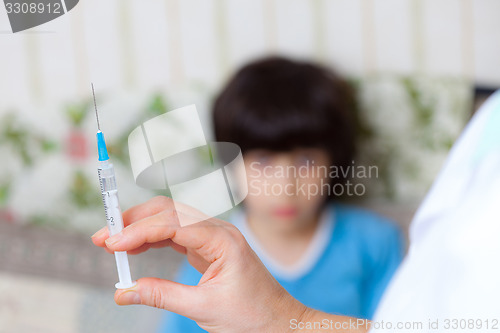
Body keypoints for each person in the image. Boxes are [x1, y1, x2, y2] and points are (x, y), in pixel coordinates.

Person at [157, 57, 403, 332]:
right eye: (263, 161)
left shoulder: (375, 243)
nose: (286, 186)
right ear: (231, 164)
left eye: (306, 161)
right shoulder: (207, 260)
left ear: (335, 163)